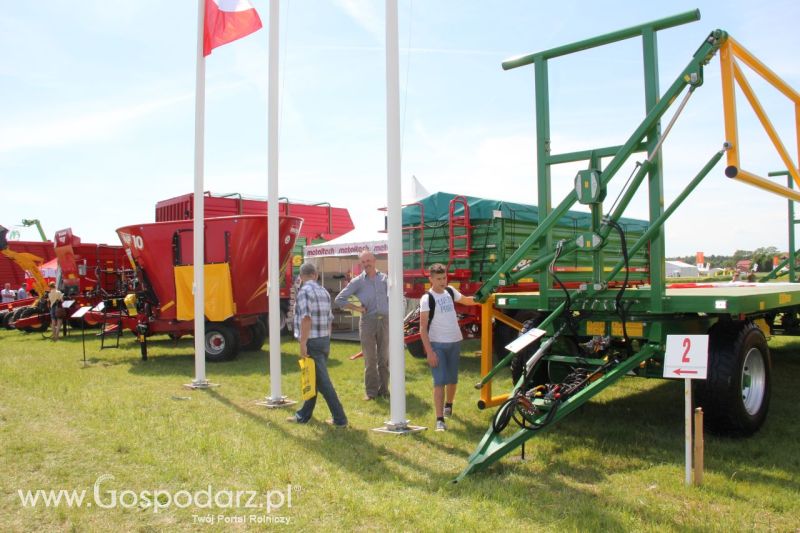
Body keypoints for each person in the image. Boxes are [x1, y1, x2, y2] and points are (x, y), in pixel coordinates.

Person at [286, 262, 348, 427]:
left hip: (311, 340)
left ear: (301, 276)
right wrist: (327, 339)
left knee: (322, 382)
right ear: (315, 275)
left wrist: (303, 343)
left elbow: (306, 318)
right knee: (311, 379)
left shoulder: (304, 292)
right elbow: (329, 319)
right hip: (323, 339)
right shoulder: (324, 292)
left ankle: (340, 418)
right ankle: (303, 415)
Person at [419, 263, 479, 432]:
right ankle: (439, 420)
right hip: (437, 344)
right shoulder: (427, 298)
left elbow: (467, 301)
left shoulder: (450, 291)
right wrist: (429, 352)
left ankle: (449, 405)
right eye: (438, 279)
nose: (442, 281)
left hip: (455, 342)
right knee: (439, 382)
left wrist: (482, 298)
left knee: (452, 380)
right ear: (430, 279)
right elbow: (422, 328)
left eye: (444, 278)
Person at [334, 250, 390, 400]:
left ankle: (384, 390)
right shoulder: (357, 281)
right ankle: (371, 393)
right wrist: (357, 308)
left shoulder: (385, 279)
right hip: (367, 322)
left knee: (384, 358)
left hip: (385, 320)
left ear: (374, 261)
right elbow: (339, 299)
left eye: (368, 261)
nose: (366, 264)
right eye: (363, 262)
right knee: (370, 359)